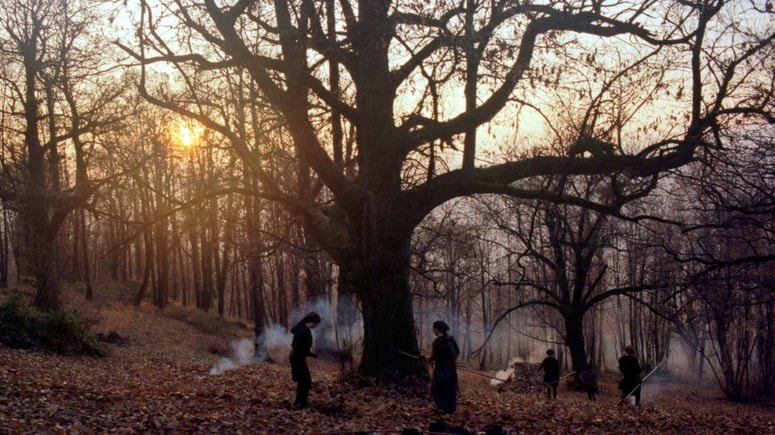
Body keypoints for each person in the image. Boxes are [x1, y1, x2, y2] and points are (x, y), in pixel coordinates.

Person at [289, 312, 321, 409]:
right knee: (306, 381)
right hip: (296, 357)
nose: (316, 326)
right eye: (317, 324)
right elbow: (296, 345)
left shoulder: (303, 328)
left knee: (303, 380)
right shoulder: (302, 330)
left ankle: (299, 401)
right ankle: (302, 403)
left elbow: (302, 346)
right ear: (313, 322)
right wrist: (310, 354)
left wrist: (309, 352)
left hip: (298, 357)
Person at [427, 320, 460, 414]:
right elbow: (457, 353)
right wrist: (451, 362)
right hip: (451, 368)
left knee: (436, 388)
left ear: (437, 329)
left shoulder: (438, 341)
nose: (433, 330)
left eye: (433, 329)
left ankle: (442, 408)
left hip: (441, 368)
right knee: (450, 387)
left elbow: (434, 357)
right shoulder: (451, 339)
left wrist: (426, 359)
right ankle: (450, 408)